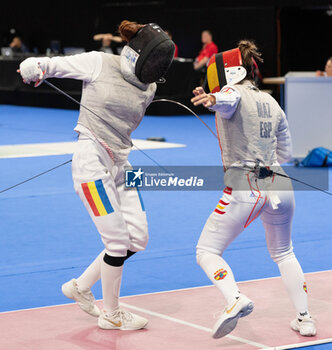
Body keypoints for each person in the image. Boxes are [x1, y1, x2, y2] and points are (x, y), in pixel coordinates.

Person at [18, 20, 175, 331]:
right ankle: (111, 313)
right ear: (139, 54)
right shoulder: (99, 62)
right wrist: (32, 66)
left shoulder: (151, 87)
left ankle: (81, 286)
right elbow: (47, 64)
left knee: (137, 237)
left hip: (123, 165)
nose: (156, 69)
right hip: (92, 163)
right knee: (117, 242)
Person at [191, 40, 316, 339]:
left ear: (228, 73)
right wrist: (213, 100)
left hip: (246, 185)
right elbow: (286, 153)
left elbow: (229, 100)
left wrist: (214, 99)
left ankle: (234, 299)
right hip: (280, 182)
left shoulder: (229, 92)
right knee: (285, 253)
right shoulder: (271, 101)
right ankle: (305, 318)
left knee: (206, 250)